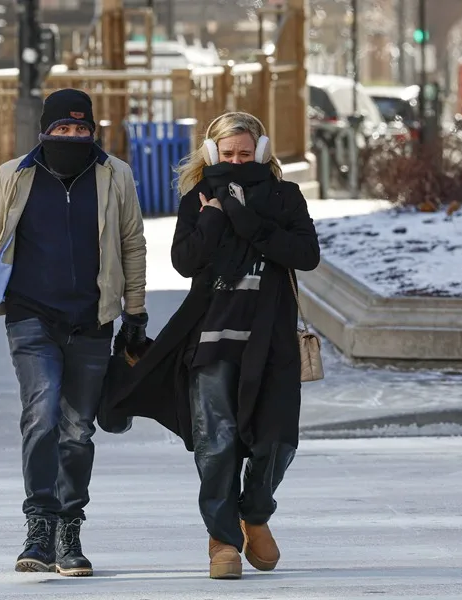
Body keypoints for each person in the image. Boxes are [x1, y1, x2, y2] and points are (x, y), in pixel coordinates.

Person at [98, 112, 320, 579]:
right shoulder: (196, 199)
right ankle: (223, 540)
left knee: (278, 440)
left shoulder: (285, 196)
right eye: (228, 153)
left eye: (245, 153)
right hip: (210, 338)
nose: (236, 161)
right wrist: (215, 217)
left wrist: (244, 217)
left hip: (271, 340)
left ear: (261, 152)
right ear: (212, 153)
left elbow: (305, 255)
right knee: (216, 443)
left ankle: (254, 515)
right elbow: (185, 262)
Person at [0, 89, 148, 577]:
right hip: (31, 315)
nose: (72, 136)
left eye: (81, 128)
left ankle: (69, 529)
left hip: (93, 320)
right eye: (63, 129)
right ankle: (39, 523)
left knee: (78, 429)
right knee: (42, 414)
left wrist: (134, 314)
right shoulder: (16, 175)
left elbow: (132, 244)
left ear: (93, 131)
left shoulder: (115, 174)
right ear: (45, 131)